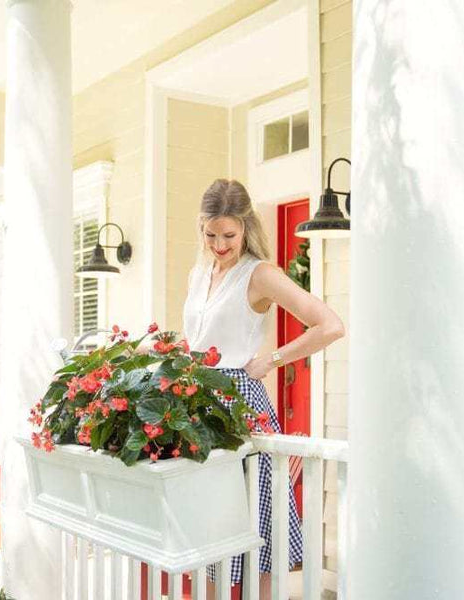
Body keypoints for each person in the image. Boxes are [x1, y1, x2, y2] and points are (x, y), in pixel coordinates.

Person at [183, 179, 344, 600]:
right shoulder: (199, 274)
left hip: (239, 404)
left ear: (246, 227)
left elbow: (330, 325)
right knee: (211, 525)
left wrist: (272, 360)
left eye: (229, 236)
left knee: (259, 523)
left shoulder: (259, 274)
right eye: (211, 235)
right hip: (197, 405)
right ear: (202, 229)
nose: (220, 245)